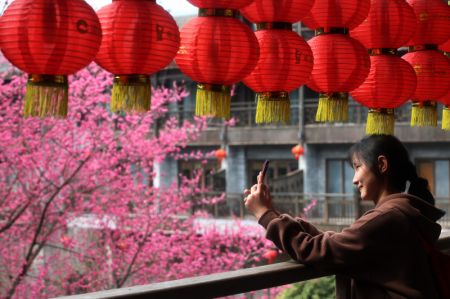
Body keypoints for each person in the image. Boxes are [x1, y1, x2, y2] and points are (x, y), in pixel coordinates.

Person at [243, 134, 445, 299]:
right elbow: (339, 243)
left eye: (358, 167)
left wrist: (264, 214)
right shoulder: (402, 212)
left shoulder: (388, 217)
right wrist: (273, 213)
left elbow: (319, 250)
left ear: (382, 165)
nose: (355, 180)